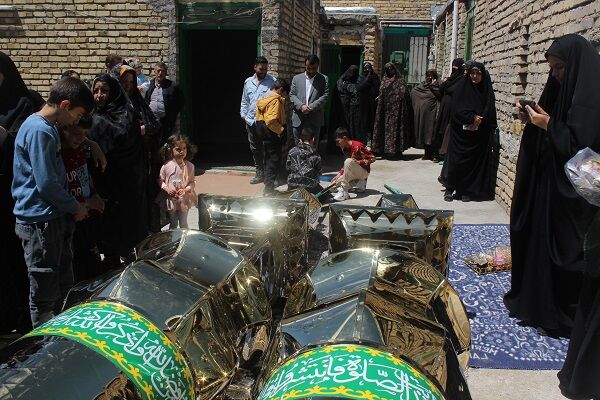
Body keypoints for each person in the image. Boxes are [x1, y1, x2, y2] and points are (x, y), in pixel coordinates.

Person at [506, 34, 600, 340]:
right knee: (540, 246)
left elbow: (581, 147)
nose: (555, 75)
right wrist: (534, 120)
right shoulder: (559, 90)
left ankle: (566, 315)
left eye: (560, 68)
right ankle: (542, 307)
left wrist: (548, 126)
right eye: (553, 69)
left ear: (574, 67)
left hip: (574, 199)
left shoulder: (590, 99)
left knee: (568, 254)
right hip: (548, 190)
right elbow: (551, 128)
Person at [11, 77, 93, 327]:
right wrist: (75, 207)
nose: (75, 122)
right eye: (77, 116)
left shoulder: (46, 128)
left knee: (62, 288)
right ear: (65, 105)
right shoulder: (40, 131)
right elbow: (46, 183)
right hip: (40, 223)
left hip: (52, 219)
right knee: (45, 296)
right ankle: (45, 350)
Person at [89, 74, 148, 266]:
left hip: (124, 184)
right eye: (96, 90)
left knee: (127, 231)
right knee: (106, 233)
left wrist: (95, 123)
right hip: (104, 184)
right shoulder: (93, 114)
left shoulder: (125, 113)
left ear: (113, 92)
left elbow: (120, 137)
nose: (99, 95)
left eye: (104, 90)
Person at [0, 51, 37, 333]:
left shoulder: (24, 103)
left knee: (16, 256)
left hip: (13, 192)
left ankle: (24, 316)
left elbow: (22, 142)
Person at [443, 62, 497, 202]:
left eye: (478, 73)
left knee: (472, 164)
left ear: (482, 75)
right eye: (472, 73)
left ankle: (466, 190)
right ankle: (450, 188)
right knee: (456, 161)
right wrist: (471, 118)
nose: (474, 76)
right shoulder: (462, 87)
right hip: (460, 134)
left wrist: (480, 120)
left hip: (478, 135)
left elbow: (489, 107)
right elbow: (456, 109)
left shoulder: (485, 89)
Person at [61, 117, 105, 282]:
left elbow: (84, 178)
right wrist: (86, 203)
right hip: (73, 217)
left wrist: (94, 196)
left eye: (84, 135)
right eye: (76, 134)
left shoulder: (79, 150)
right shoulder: (59, 156)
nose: (80, 138)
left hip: (88, 214)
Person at [120, 65, 162, 232]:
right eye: (124, 81)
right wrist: (137, 131)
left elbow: (154, 124)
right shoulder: (116, 105)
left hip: (143, 160)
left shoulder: (139, 102)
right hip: (125, 163)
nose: (128, 85)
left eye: (131, 81)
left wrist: (146, 129)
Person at [240, 56, 276, 185]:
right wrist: (243, 115)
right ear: (255, 67)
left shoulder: (272, 82)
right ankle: (259, 173)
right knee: (255, 149)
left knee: (267, 148)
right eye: (261, 69)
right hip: (250, 121)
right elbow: (245, 100)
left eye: (266, 69)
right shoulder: (248, 82)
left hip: (265, 123)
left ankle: (268, 175)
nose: (264, 71)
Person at [255, 78, 290, 195]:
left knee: (267, 160)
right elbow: (271, 121)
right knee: (274, 161)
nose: (285, 97)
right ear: (280, 90)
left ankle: (267, 187)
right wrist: (281, 130)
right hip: (272, 134)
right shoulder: (275, 100)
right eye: (285, 94)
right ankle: (269, 190)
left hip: (264, 134)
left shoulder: (264, 97)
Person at [289, 54, 330, 148]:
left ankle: (311, 162)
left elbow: (325, 95)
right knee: (297, 144)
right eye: (308, 68)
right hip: (299, 118)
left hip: (315, 118)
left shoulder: (323, 79)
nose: (311, 71)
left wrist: (311, 107)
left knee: (313, 145)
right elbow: (292, 95)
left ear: (318, 66)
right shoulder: (297, 79)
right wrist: (301, 106)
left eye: (314, 68)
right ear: (305, 66)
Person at [159, 134, 197, 229]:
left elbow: (192, 182)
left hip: (184, 199)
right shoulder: (166, 166)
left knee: (183, 223)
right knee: (173, 223)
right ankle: (173, 240)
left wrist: (186, 189)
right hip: (172, 199)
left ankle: (184, 240)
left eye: (184, 148)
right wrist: (167, 189)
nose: (182, 151)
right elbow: (160, 180)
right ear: (170, 150)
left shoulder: (190, 166)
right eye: (178, 149)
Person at [372, 62, 410, 159]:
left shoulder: (400, 80)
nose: (390, 71)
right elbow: (382, 91)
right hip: (385, 110)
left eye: (391, 68)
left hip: (397, 110)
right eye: (388, 69)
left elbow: (404, 92)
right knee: (383, 128)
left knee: (397, 129)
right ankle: (382, 150)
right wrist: (380, 97)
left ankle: (397, 151)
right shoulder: (384, 80)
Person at [435, 58, 465, 175]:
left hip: (453, 108)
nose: (454, 70)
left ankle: (444, 152)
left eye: (456, 67)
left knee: (448, 129)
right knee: (442, 129)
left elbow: (449, 89)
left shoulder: (461, 79)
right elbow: (442, 88)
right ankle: (441, 152)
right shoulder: (452, 78)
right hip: (445, 107)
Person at [332, 127, 375, 201]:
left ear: (344, 138)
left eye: (338, 141)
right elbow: (347, 165)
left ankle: (344, 191)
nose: (337, 144)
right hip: (353, 172)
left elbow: (372, 158)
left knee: (348, 161)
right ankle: (359, 183)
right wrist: (339, 174)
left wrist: (359, 162)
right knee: (332, 186)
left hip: (363, 172)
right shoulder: (345, 149)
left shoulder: (358, 146)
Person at [145, 62, 185, 142]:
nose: (160, 73)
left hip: (166, 123)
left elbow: (181, 101)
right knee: (152, 144)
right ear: (154, 72)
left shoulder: (173, 86)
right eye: (158, 71)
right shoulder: (149, 85)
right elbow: (146, 100)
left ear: (166, 72)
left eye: (163, 71)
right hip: (152, 121)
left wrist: (172, 114)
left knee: (166, 144)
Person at [411, 69, 441, 160]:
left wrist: (433, 86)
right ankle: (427, 154)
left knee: (433, 133)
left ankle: (434, 154)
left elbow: (440, 95)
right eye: (428, 75)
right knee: (425, 132)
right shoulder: (423, 84)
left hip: (434, 113)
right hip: (425, 115)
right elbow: (414, 92)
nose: (430, 77)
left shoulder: (439, 84)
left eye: (432, 76)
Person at [286, 127, 322, 194]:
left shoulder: (291, 151)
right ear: (313, 139)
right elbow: (319, 172)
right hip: (309, 187)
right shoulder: (315, 154)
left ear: (300, 139)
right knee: (325, 195)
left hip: (292, 185)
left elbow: (288, 168)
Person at [337, 65, 362, 141]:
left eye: (354, 72)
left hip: (355, 108)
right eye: (350, 72)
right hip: (343, 108)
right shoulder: (342, 80)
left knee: (355, 127)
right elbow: (340, 89)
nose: (352, 74)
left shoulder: (360, 80)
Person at [357, 62, 380, 145]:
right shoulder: (361, 77)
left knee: (372, 121)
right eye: (366, 68)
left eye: (368, 68)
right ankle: (364, 139)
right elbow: (359, 88)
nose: (367, 69)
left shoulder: (375, 77)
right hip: (364, 103)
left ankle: (373, 140)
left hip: (373, 103)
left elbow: (378, 88)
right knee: (364, 121)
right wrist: (368, 79)